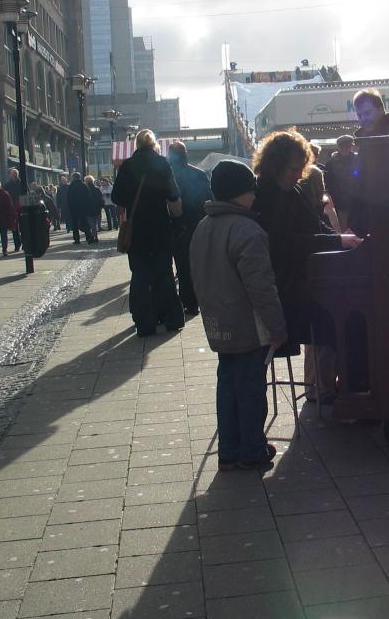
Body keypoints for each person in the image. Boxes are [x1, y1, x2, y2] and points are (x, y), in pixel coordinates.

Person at [252, 129, 362, 402]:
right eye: (293, 169)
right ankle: (337, 388)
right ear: (276, 165)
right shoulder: (265, 195)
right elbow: (286, 242)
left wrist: (339, 237)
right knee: (345, 320)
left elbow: (314, 226)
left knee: (350, 315)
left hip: (306, 279)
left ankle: (339, 385)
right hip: (288, 287)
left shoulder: (291, 190)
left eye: (301, 169)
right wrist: (336, 238)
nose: (297, 174)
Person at [190, 160, 286, 471]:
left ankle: (229, 450)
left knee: (228, 388)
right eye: (250, 191)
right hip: (246, 323)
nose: (255, 196)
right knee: (250, 391)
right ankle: (252, 450)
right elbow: (261, 286)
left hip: (219, 322)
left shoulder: (203, 227)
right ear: (238, 193)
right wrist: (277, 325)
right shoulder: (246, 229)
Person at [112, 129, 184, 337]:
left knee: (141, 275)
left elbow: (116, 196)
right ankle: (171, 318)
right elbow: (174, 193)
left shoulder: (127, 166)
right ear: (153, 144)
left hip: (138, 229)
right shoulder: (162, 164)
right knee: (164, 273)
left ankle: (144, 323)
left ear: (136, 145)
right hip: (160, 227)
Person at [168, 140, 212, 315]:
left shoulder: (168, 176)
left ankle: (188, 301)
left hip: (177, 226)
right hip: (197, 224)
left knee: (182, 265)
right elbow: (208, 199)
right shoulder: (199, 174)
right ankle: (202, 298)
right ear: (186, 154)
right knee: (200, 265)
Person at [324, 135, 358, 232]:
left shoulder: (357, 159)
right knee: (343, 226)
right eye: (342, 146)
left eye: (347, 146)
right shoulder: (331, 162)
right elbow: (328, 181)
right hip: (340, 201)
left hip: (352, 200)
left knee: (351, 226)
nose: (345, 148)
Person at [66, 173, 94, 245]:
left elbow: (69, 198)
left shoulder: (71, 186)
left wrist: (70, 208)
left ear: (74, 178)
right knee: (84, 222)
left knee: (75, 225)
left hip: (74, 208)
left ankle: (76, 239)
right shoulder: (84, 185)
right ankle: (89, 236)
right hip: (83, 208)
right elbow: (89, 197)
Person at [3, 169, 23, 251]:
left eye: (15, 174)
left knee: (23, 227)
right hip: (12, 208)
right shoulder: (7, 185)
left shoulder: (22, 183)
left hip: (22, 207)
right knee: (14, 228)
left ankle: (24, 244)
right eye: (13, 174)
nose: (14, 176)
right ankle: (17, 245)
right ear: (10, 175)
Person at [85, 175, 104, 243]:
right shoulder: (97, 189)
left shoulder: (86, 189)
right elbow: (101, 200)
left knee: (91, 224)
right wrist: (101, 207)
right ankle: (95, 237)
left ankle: (93, 237)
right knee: (94, 224)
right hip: (97, 209)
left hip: (88, 210)